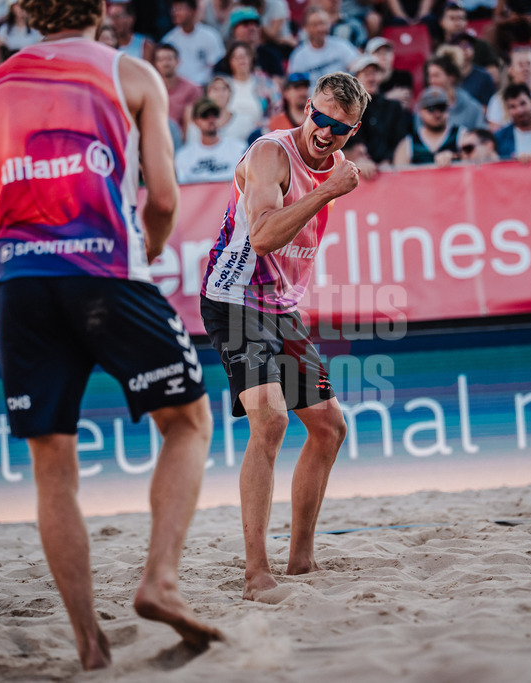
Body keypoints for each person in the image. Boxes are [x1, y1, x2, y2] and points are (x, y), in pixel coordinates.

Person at [0, 0, 223, 669]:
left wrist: (22, 253)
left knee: (53, 466)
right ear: (101, 9)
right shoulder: (129, 74)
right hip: (105, 267)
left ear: (25, 11)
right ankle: (159, 579)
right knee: (189, 420)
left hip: (19, 280)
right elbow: (162, 198)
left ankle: (88, 643)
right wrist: (150, 253)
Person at [198, 71, 367, 601]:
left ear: (353, 128)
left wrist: (332, 184)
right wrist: (328, 192)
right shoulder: (271, 153)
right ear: (305, 108)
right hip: (234, 296)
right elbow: (267, 235)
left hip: (280, 307)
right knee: (268, 422)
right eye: (317, 117)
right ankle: (255, 574)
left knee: (329, 427)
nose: (323, 131)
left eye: (337, 126)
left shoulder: (337, 165)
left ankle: (301, 558)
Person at [349, 55, 412, 165]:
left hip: (392, 170)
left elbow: (401, 141)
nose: (371, 78)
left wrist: (388, 160)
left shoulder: (394, 107)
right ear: (356, 79)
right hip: (361, 171)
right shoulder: (350, 111)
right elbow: (351, 145)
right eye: (366, 74)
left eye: (374, 73)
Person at [220, 41, 282, 142]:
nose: (241, 60)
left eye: (245, 56)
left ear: (251, 58)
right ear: (229, 62)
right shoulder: (223, 85)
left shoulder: (266, 84)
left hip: (258, 138)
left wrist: (263, 126)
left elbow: (277, 112)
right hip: (229, 138)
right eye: (236, 57)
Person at [175, 97, 248, 183]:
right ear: (195, 121)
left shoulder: (239, 149)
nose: (211, 119)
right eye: (205, 115)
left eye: (215, 114)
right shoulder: (183, 156)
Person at [288, 8, 360, 87]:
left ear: (329, 25)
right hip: (313, 97)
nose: (319, 29)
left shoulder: (341, 46)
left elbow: (358, 66)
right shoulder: (299, 56)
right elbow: (295, 86)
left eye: (322, 24)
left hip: (341, 95)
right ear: (306, 28)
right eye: (315, 25)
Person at [393, 86, 463, 165]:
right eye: (431, 109)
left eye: (441, 107)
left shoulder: (462, 136)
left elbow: (476, 161)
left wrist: (455, 157)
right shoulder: (408, 145)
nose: (437, 114)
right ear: (420, 111)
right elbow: (399, 174)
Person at [162, 0, 225, 85]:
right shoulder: (168, 40)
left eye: (180, 9)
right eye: (173, 9)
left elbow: (217, 65)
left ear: (192, 11)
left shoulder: (210, 35)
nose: (175, 13)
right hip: (180, 88)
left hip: (206, 87)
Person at [424, 50, 488, 130]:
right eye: (429, 76)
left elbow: (482, 135)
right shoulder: (423, 106)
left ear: (451, 78)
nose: (431, 81)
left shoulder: (472, 107)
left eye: (436, 76)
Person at [154, 43, 202, 138]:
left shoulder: (191, 89)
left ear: (178, 61)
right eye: (161, 60)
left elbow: (194, 121)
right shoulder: (151, 88)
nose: (165, 63)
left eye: (169, 59)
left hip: (182, 139)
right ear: (156, 64)